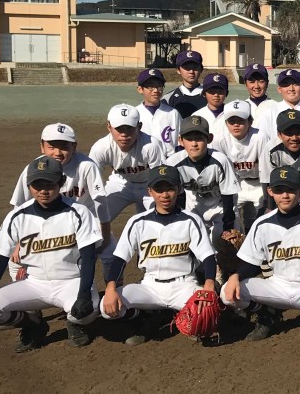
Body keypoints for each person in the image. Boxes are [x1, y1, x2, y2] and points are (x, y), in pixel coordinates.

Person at [0, 157, 102, 351]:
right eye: (37, 185)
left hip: (71, 281)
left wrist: (84, 294)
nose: (43, 190)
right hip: (34, 283)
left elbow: (89, 257)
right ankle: (32, 324)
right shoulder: (17, 216)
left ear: (61, 182)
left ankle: (76, 324)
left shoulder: (78, 212)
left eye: (49, 184)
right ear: (29, 185)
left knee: (88, 309)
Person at [222, 166, 300, 344]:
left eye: (290, 189)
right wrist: (235, 276)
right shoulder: (261, 224)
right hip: (277, 287)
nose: (285, 195)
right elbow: (250, 263)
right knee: (227, 292)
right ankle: (266, 315)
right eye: (279, 190)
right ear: (270, 191)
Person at [99, 165, 217, 345]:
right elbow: (120, 259)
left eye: (170, 188)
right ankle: (142, 317)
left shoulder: (191, 220)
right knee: (106, 307)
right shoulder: (138, 222)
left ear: (179, 189)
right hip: (150, 287)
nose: (165, 195)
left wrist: (208, 286)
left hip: (184, 286)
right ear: (150, 191)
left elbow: (208, 257)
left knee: (211, 309)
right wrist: (110, 288)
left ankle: (175, 314)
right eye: (159, 189)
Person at [89, 104, 169, 257]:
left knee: (162, 220)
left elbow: (160, 179)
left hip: (149, 186)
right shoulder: (101, 148)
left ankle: (152, 257)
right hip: (119, 183)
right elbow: (92, 182)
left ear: (139, 127)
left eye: (129, 129)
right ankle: (106, 258)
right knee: (95, 221)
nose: (124, 134)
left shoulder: (151, 145)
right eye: (119, 129)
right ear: (109, 127)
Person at [164, 115, 240, 243]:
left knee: (226, 244)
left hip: (220, 208)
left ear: (209, 138)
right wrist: (178, 220)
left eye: (199, 138)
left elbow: (228, 196)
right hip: (193, 206)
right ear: (180, 140)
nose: (194, 144)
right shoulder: (173, 163)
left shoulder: (221, 160)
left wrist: (228, 226)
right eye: (189, 139)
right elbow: (175, 196)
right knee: (191, 245)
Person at [9, 123, 102, 212]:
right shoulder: (34, 169)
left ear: (74, 147)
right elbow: (19, 203)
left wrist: (103, 222)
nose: (58, 153)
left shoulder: (87, 165)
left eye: (64, 147)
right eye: (52, 147)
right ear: (42, 147)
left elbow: (99, 198)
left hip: (83, 217)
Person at [213, 100, 269, 234]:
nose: (236, 125)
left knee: (262, 221)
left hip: (259, 183)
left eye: (241, 120)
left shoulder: (260, 137)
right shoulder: (219, 140)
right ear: (226, 123)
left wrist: (267, 201)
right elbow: (220, 172)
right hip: (236, 183)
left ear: (250, 121)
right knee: (231, 221)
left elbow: (266, 171)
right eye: (231, 121)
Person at [258, 69, 300, 137]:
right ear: (279, 89)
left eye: (296, 84)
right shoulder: (270, 113)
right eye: (286, 85)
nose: (291, 89)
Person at [134, 68, 180, 150]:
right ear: (140, 89)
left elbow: (181, 140)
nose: (155, 90)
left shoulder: (173, 113)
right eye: (150, 86)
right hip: (142, 157)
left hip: (168, 157)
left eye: (159, 86)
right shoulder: (134, 113)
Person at [164, 49, 208, 118]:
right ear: (178, 70)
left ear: (201, 69)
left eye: (195, 67)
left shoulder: (210, 96)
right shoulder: (168, 99)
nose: (191, 71)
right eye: (187, 68)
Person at [189, 73, 231, 139]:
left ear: (226, 93)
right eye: (212, 91)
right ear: (204, 93)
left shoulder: (232, 113)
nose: (216, 95)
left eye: (220, 91)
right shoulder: (197, 115)